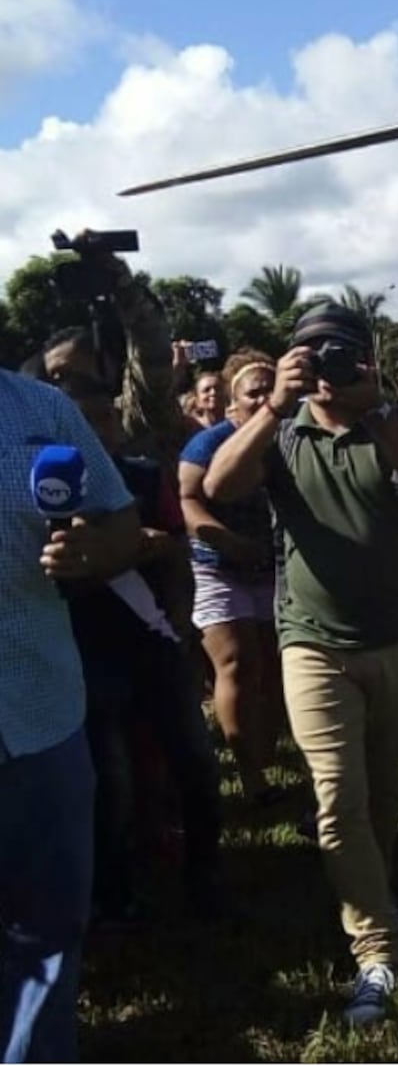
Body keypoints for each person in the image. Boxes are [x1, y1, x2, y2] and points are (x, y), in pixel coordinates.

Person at [203, 301, 398, 1027]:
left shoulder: (397, 422)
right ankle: (376, 950)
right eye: (313, 355)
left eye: (340, 354)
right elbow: (218, 484)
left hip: (396, 637)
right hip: (312, 640)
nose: (328, 371)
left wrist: (377, 411)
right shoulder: (281, 430)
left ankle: (374, 896)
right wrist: (275, 405)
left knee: (382, 798)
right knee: (338, 801)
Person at [0, 368, 140, 1062]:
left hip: (40, 714)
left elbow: (119, 518)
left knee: (48, 929)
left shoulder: (42, 407)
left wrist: (92, 550)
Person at [55, 374, 224, 925]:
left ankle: (206, 879)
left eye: (105, 418)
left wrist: (179, 618)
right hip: (85, 650)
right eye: (84, 421)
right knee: (113, 781)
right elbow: (57, 576)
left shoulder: (145, 479)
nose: (98, 432)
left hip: (154, 643)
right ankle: (117, 896)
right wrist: (126, 551)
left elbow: (176, 550)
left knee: (195, 763)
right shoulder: (47, 491)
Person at [178, 350, 283, 805]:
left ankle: (265, 756)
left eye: (268, 388)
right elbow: (187, 500)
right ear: (231, 403)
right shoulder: (208, 443)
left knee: (276, 669)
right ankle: (249, 774)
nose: (261, 398)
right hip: (216, 566)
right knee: (237, 662)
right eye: (251, 392)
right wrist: (228, 541)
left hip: (274, 568)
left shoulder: (289, 438)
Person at [28, 241, 190, 464]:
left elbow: (152, 349)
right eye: (57, 377)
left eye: (77, 375)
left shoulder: (132, 422)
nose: (68, 387)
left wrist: (122, 285)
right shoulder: (28, 434)